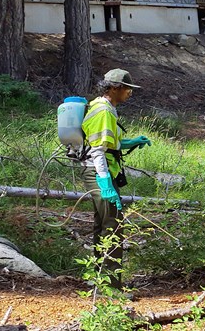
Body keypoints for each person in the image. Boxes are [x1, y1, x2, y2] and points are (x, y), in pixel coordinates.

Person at [80, 68, 151, 292]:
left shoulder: (105, 108)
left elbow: (110, 143)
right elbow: (98, 150)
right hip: (98, 173)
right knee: (113, 226)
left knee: (103, 224)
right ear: (114, 88)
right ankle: (111, 288)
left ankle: (99, 281)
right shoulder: (104, 112)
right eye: (127, 88)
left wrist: (129, 142)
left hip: (99, 172)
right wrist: (105, 183)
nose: (130, 93)